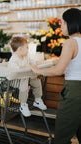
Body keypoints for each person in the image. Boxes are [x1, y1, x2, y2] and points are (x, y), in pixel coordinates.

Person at [30, 8, 81, 144]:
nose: (61, 26)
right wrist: (56, 60)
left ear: (70, 23)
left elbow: (59, 70)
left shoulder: (70, 42)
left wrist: (39, 71)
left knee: (62, 135)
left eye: (62, 23)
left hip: (74, 91)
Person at [8, 36, 47, 117]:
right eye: (27, 47)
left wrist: (43, 63)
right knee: (24, 83)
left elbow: (33, 62)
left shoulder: (26, 57)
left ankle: (37, 99)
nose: (28, 49)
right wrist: (29, 67)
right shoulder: (13, 59)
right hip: (17, 80)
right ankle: (23, 104)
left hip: (27, 77)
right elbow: (16, 69)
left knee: (36, 81)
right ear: (20, 49)